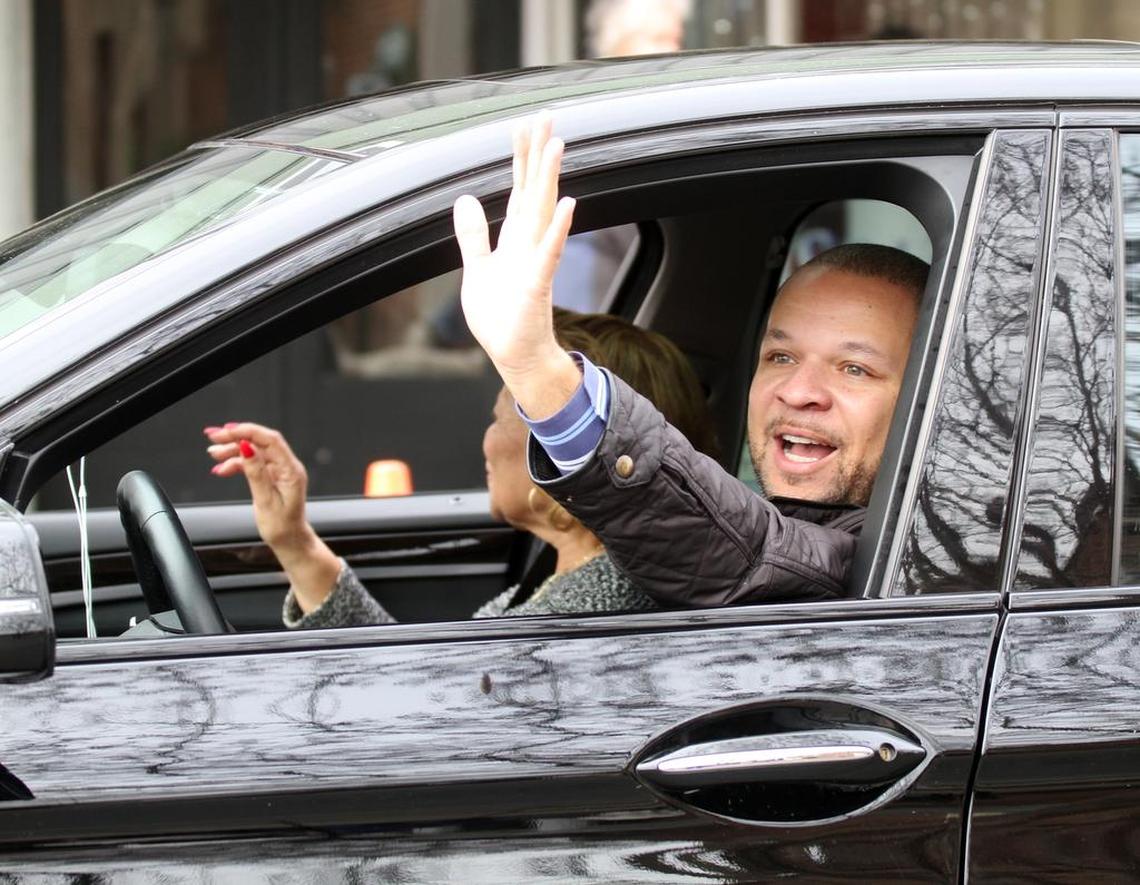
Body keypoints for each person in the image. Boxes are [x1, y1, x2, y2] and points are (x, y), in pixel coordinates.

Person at [451, 115, 927, 607]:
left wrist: (537, 369)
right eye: (781, 356)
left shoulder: (918, 550)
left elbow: (756, 558)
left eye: (854, 368)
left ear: (927, 400)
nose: (798, 390)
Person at [203, 309, 718, 628]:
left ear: (565, 451)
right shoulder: (586, 582)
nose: (486, 443)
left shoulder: (584, 618)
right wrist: (295, 542)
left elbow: (408, 717)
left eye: (499, 420)